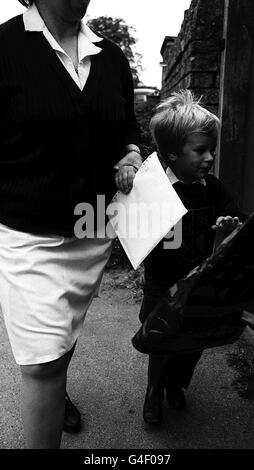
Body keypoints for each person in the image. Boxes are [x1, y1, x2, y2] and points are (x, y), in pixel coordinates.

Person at [0, 0, 141, 448]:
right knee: (41, 364)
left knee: (64, 335)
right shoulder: (4, 47)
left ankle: (58, 391)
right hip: (27, 231)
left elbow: (127, 128)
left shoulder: (111, 56)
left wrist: (133, 153)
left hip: (93, 227)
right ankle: (52, 390)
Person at [140, 89, 243, 425]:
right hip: (162, 283)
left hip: (200, 282)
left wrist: (225, 228)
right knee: (160, 339)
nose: (210, 157)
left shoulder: (213, 190)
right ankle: (154, 389)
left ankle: (176, 384)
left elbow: (234, 227)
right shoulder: (153, 190)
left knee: (192, 341)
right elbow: (130, 226)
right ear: (171, 155)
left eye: (211, 149)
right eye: (200, 150)